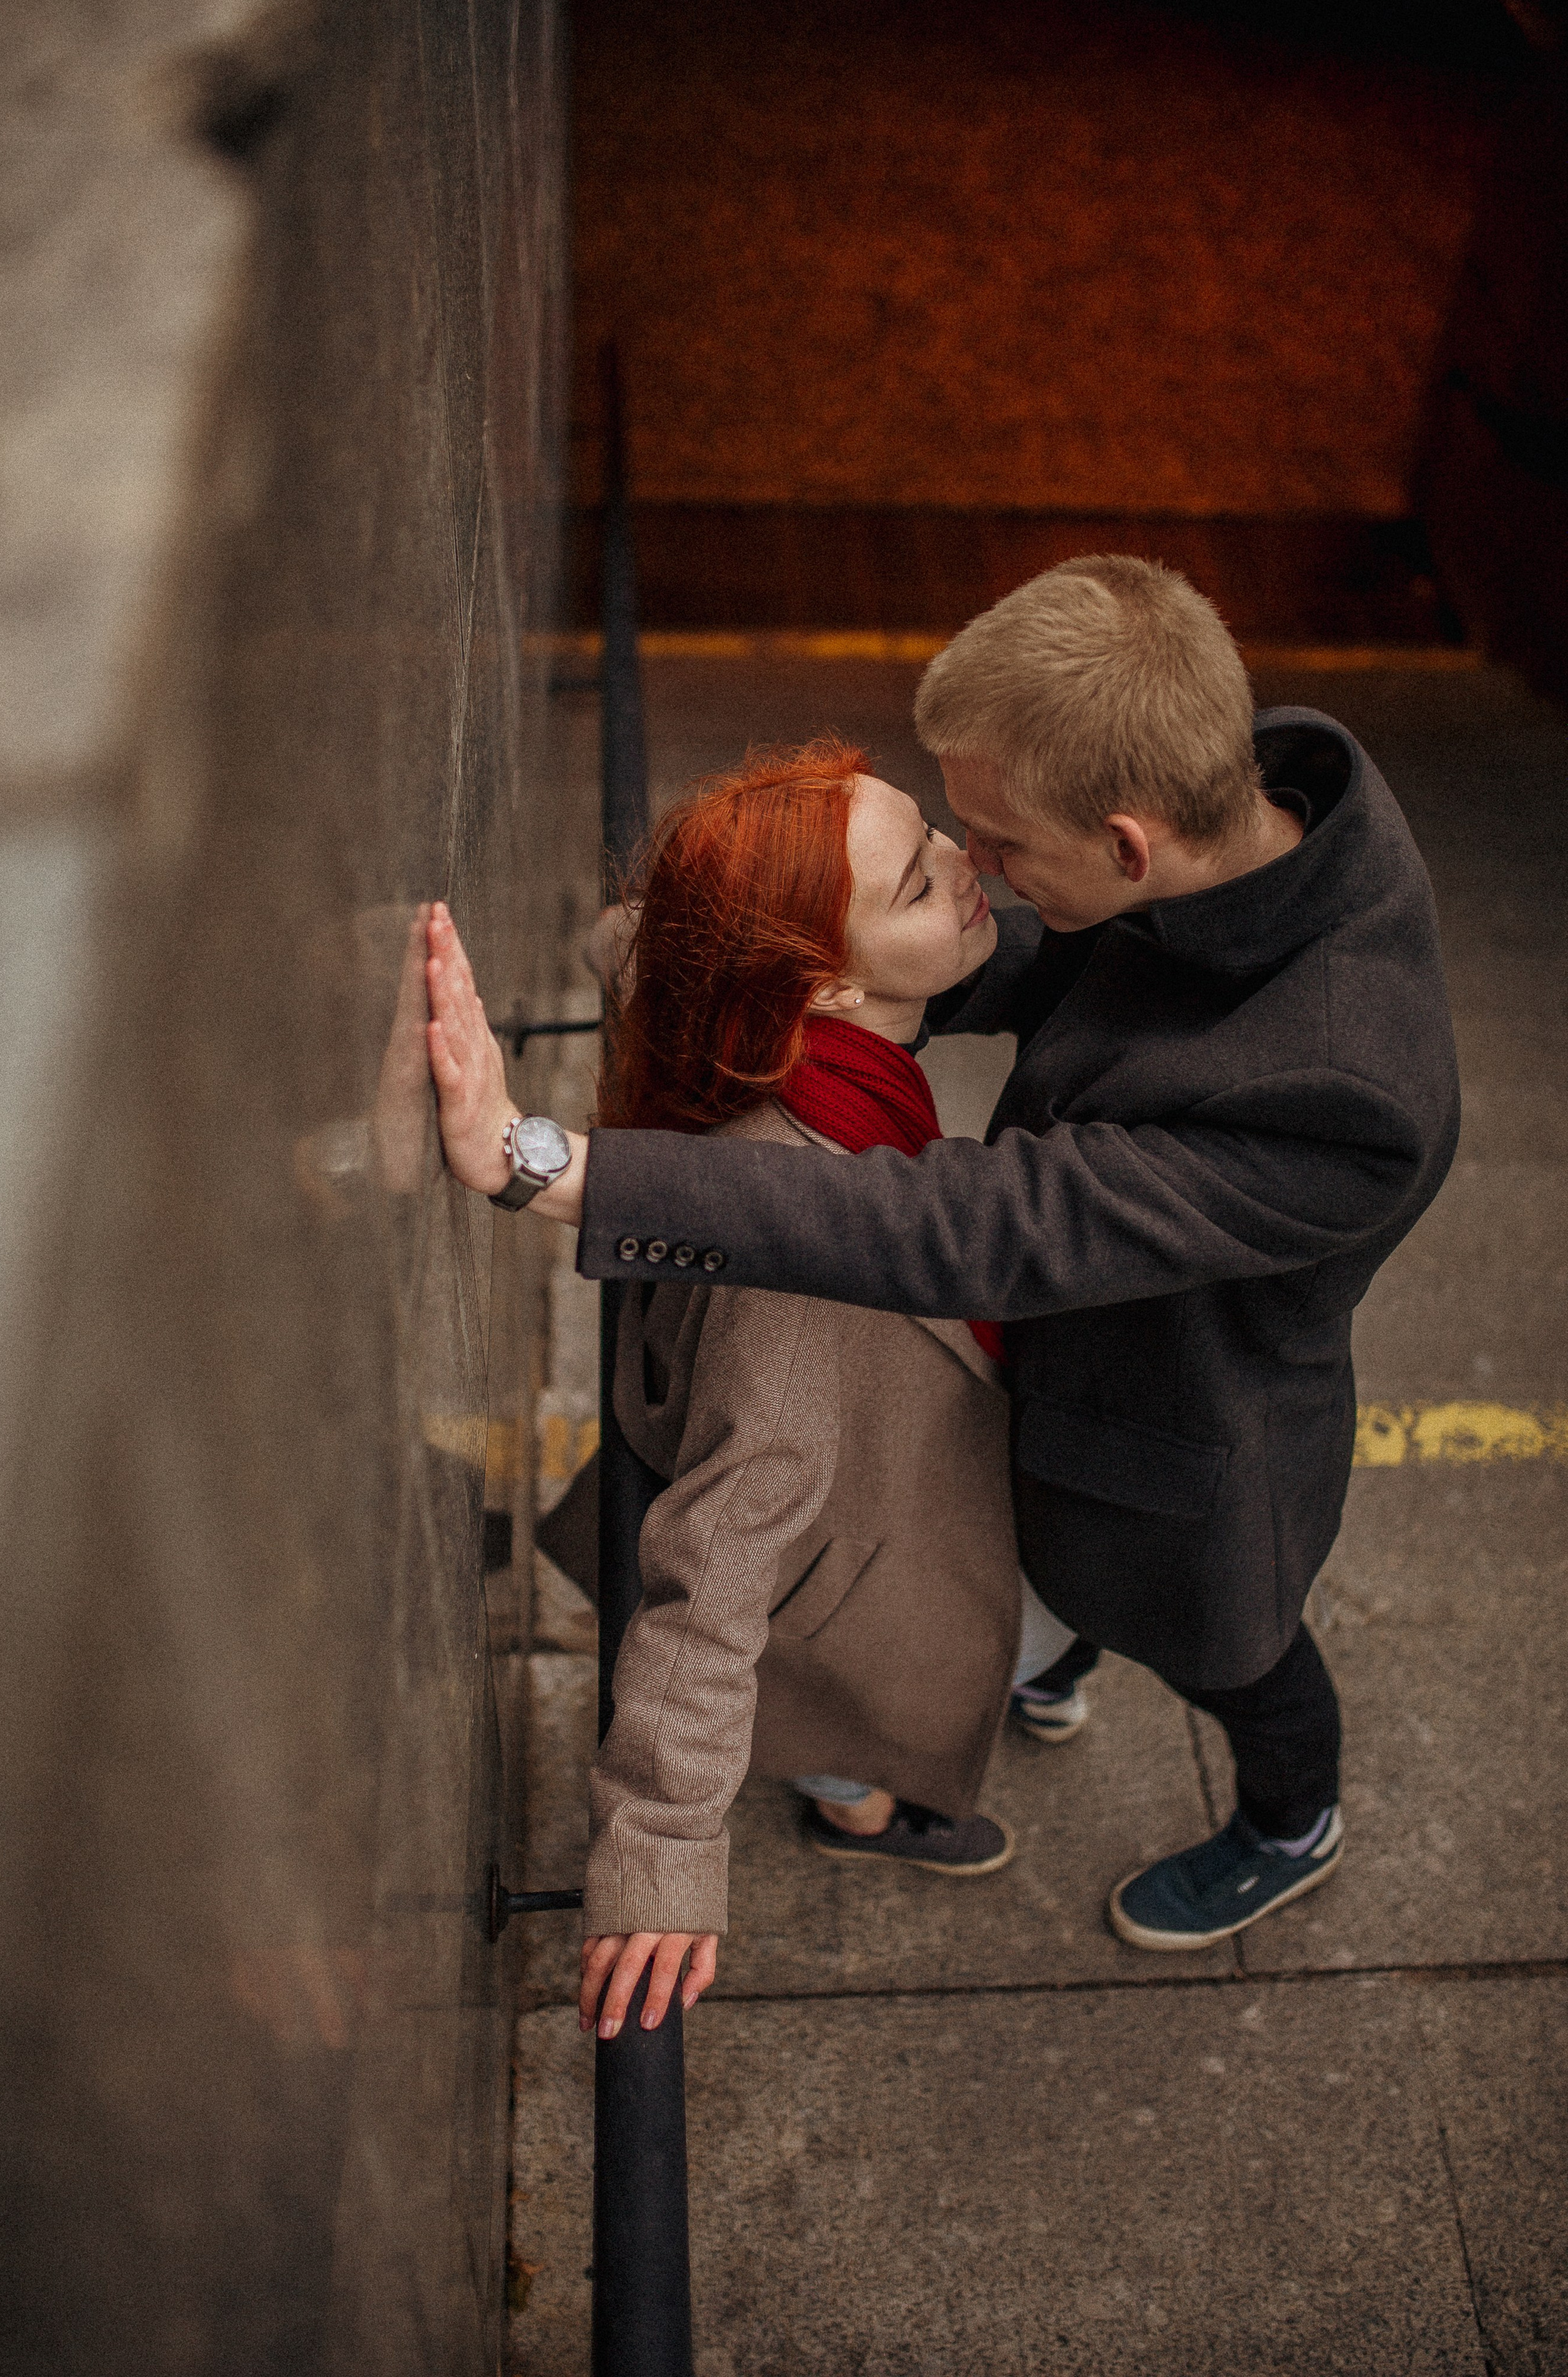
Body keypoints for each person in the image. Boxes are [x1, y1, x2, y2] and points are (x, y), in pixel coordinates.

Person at [426, 553, 1460, 1984]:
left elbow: (972, 1225)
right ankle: (1054, 1661)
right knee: (1057, 1595)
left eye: (997, 842)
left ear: (1128, 846)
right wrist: (728, 945)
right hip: (1029, 1386)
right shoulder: (1252, 799)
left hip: (1186, 1427)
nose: (982, 869)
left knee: (1236, 1650)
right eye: (946, 844)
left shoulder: (1345, 1092)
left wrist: (549, 1165)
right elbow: (1049, 959)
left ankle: (1294, 1820)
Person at [432, 741, 1078, 2040]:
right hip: (842, 1585)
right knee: (914, 1678)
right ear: (825, 983)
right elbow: (714, 1568)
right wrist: (662, 1849)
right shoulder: (795, 1277)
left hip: (853, 1517)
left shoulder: (745, 1017)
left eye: (926, 832)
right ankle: (859, 1807)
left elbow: (636, 942)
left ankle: (872, 1770)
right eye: (916, 882)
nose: (966, 862)